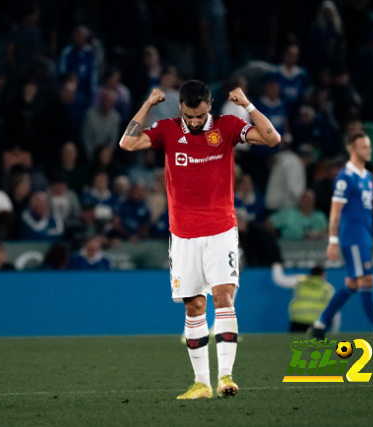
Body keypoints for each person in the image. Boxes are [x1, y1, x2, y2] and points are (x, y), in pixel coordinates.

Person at [119, 81, 280, 399]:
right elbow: (127, 143)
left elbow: (272, 137)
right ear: (181, 107)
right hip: (183, 235)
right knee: (194, 306)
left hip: (221, 229)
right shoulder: (167, 129)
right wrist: (149, 103)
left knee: (223, 298)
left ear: (210, 106)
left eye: (200, 115)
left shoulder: (228, 127)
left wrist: (247, 104)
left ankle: (227, 378)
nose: (194, 122)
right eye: (189, 116)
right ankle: (202, 384)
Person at [312, 132, 373, 344]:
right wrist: (333, 240)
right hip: (352, 236)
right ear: (352, 149)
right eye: (364, 147)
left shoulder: (368, 177)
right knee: (366, 279)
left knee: (353, 284)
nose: (369, 150)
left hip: (365, 236)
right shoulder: (345, 178)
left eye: (368, 146)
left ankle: (320, 325)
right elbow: (335, 211)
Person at [272, 265, 337, 333]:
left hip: (298, 320)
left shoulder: (299, 281)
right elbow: (334, 309)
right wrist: (335, 331)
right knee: (316, 343)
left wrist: (277, 266)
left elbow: (280, 280)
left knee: (295, 343)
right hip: (318, 323)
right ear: (323, 274)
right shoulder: (328, 288)